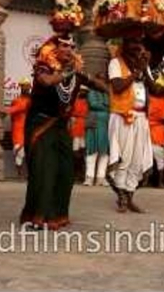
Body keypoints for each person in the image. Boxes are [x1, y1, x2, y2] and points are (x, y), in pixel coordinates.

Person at [20, 33, 107, 230]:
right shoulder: (43, 67)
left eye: (72, 47)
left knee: (66, 171)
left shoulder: (76, 73)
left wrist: (95, 80)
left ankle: (57, 215)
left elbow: (100, 86)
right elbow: (46, 82)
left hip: (60, 127)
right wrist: (68, 73)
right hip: (41, 126)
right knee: (45, 170)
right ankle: (38, 217)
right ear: (53, 49)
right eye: (65, 46)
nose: (69, 50)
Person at [106, 37, 155, 213]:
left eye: (141, 50)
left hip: (141, 118)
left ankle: (130, 196)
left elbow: (156, 89)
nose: (138, 52)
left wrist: (146, 67)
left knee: (137, 160)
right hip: (122, 116)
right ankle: (121, 198)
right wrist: (135, 73)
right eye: (135, 49)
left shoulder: (143, 65)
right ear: (125, 48)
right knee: (123, 159)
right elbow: (117, 86)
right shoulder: (115, 63)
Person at [148, 60, 164, 188]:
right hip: (153, 130)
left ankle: (159, 180)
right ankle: (157, 181)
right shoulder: (150, 99)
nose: (160, 89)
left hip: (163, 131)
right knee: (157, 156)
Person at [84, 72, 110, 187]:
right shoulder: (91, 92)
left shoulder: (108, 94)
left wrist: (106, 105)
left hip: (106, 124)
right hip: (94, 122)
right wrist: (106, 106)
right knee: (92, 150)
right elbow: (94, 104)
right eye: (100, 80)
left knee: (104, 152)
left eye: (104, 81)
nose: (102, 83)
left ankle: (101, 177)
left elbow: (112, 104)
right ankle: (89, 178)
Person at [3, 78, 32, 176]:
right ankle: (19, 172)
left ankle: (30, 172)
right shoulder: (16, 101)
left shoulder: (32, 101)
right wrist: (7, 111)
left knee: (30, 151)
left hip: (29, 129)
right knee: (19, 150)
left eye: (28, 86)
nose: (26, 88)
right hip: (18, 128)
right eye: (24, 86)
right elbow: (14, 112)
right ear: (21, 87)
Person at [70, 86, 88, 181]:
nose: (83, 93)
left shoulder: (88, 102)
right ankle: (75, 173)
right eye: (81, 91)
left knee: (82, 151)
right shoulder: (75, 101)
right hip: (76, 127)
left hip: (84, 129)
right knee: (75, 151)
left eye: (84, 91)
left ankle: (81, 173)